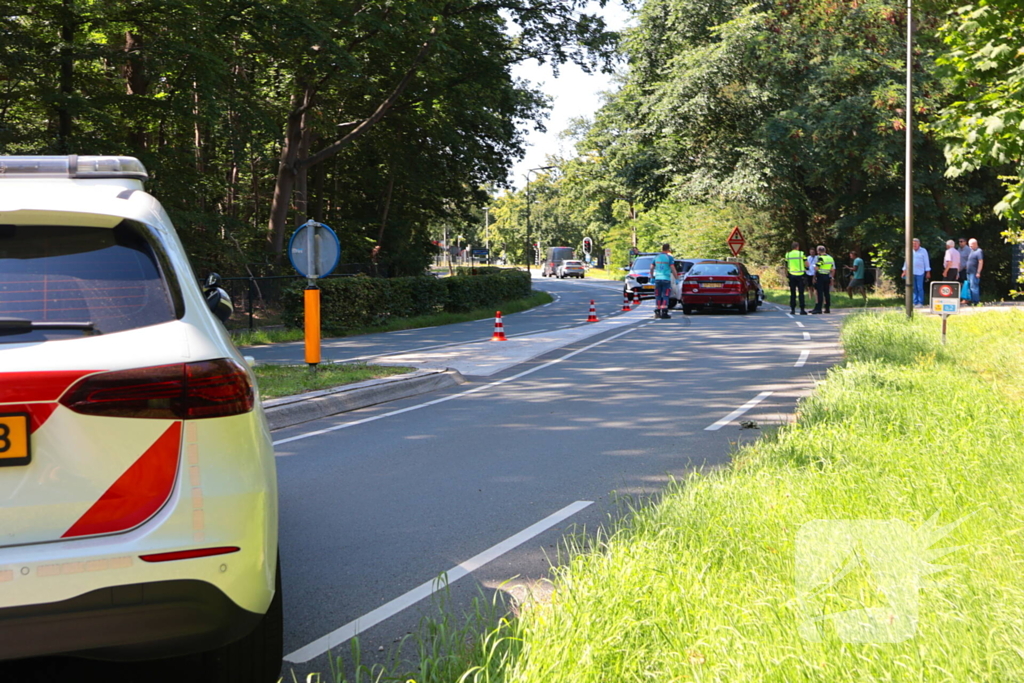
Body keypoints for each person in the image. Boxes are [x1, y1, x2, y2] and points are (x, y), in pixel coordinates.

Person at [649, 243, 681, 319]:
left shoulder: (656, 257)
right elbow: (673, 269)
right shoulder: (669, 258)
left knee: (658, 296)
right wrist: (676, 278)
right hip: (666, 279)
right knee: (666, 296)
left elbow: (651, 267)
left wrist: (652, 277)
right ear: (668, 249)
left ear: (662, 249)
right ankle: (664, 312)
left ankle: (657, 311)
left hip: (657, 279)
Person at [900, 238, 931, 307]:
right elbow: (906, 261)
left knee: (920, 287)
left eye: (915, 243)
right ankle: (914, 302)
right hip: (911, 272)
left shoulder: (923, 251)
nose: (914, 245)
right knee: (913, 287)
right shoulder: (909, 251)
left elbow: (926, 261)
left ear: (919, 244)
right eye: (913, 244)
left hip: (920, 272)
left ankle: (920, 302)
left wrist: (928, 272)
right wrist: (904, 271)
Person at [785, 241, 808, 315]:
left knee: (793, 293)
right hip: (800, 275)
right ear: (797, 247)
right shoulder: (801, 253)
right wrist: (806, 268)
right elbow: (807, 264)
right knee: (801, 293)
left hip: (792, 275)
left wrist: (787, 274)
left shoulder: (788, 254)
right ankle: (802, 309)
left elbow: (786, 265)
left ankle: (792, 309)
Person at [811, 245, 835, 314]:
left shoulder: (821, 258)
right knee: (827, 293)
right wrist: (831, 278)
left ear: (818, 251)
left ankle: (819, 309)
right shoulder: (830, 258)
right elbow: (832, 269)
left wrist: (814, 267)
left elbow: (817, 268)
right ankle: (827, 308)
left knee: (820, 293)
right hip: (827, 276)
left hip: (821, 276)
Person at [965, 238, 984, 306]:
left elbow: (980, 262)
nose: (970, 247)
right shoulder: (971, 251)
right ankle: (972, 300)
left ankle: (976, 301)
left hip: (974, 272)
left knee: (974, 287)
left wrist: (978, 272)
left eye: (971, 245)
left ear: (975, 244)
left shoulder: (979, 251)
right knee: (970, 287)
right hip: (969, 272)